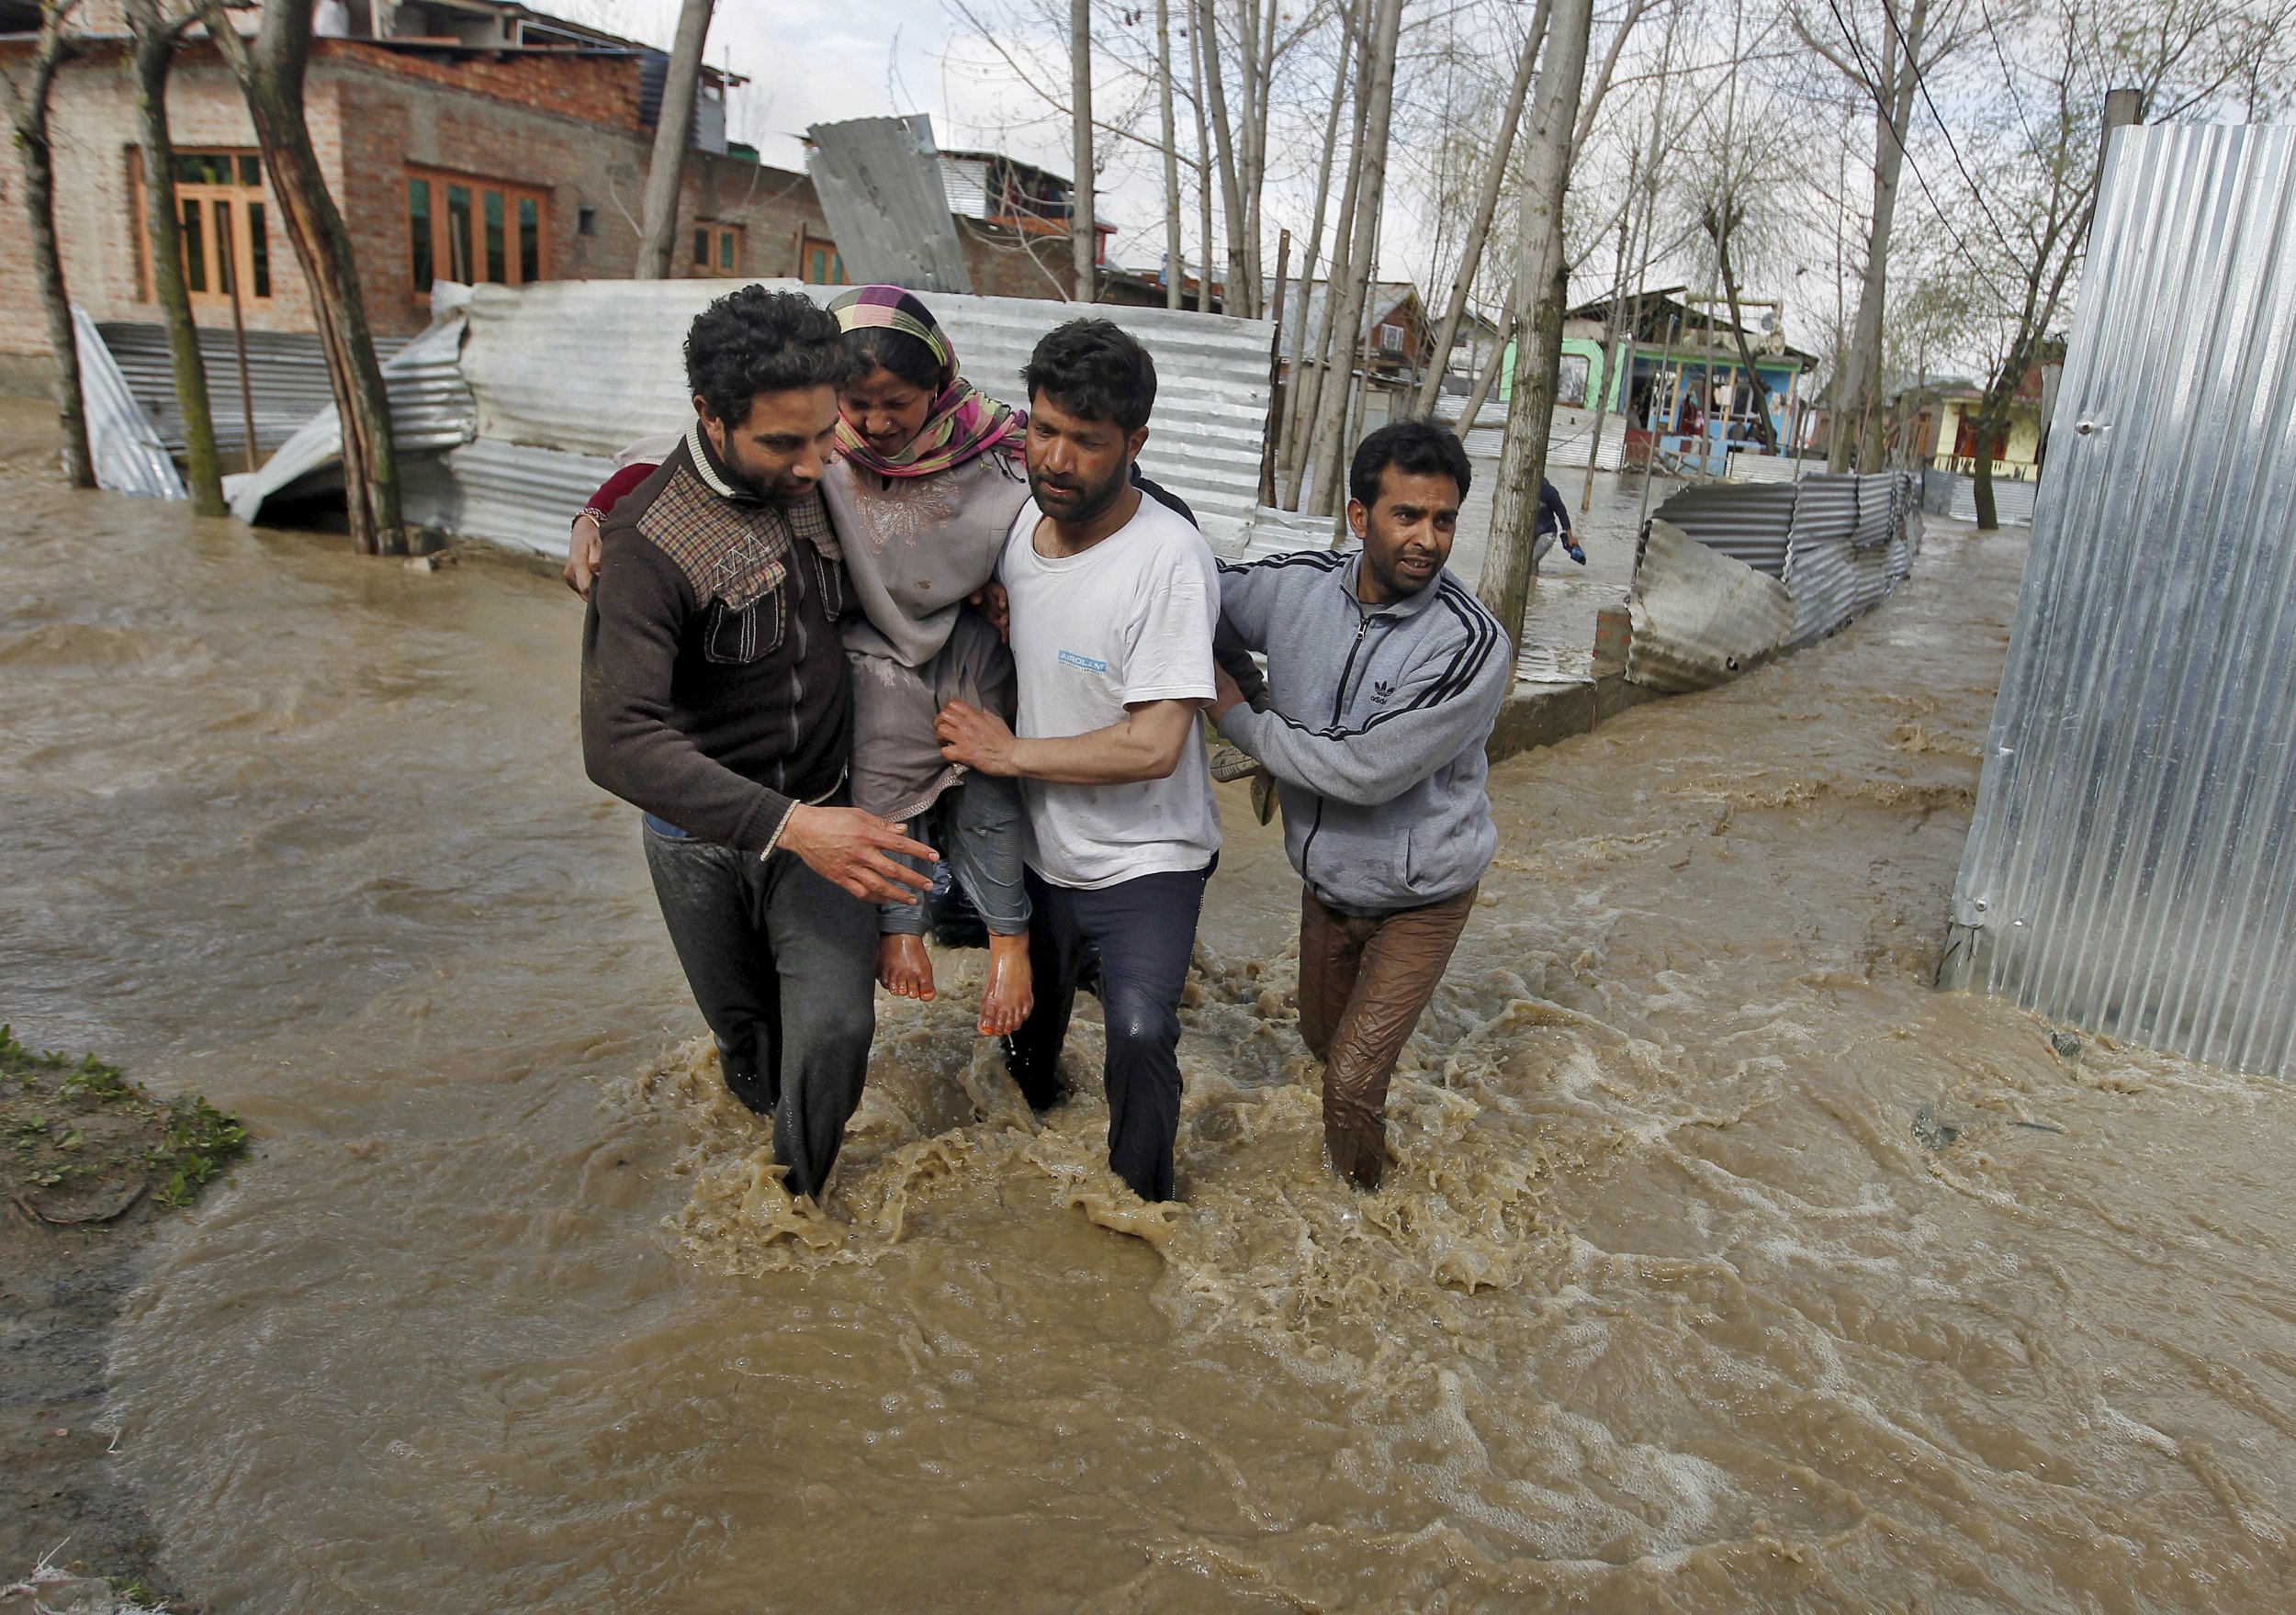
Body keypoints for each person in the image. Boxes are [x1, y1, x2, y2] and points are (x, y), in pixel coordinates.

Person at [569, 286, 1039, 1037]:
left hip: (915, 687)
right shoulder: (791, 461)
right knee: (750, 1029)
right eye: (857, 407)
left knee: (984, 791)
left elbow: (1086, 494)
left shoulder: (995, 450)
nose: (871, 427)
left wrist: (1013, 582)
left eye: (897, 402)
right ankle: (897, 937)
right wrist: (595, 513)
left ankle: (995, 940)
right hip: (790, 732)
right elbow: (666, 468)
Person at [581, 286, 937, 1201]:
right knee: (749, 1043)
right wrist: (789, 825)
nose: (817, 462)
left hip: (824, 812)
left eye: (825, 435)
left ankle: (794, 1206)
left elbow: (994, 451)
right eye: (785, 444)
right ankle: (757, 1143)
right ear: (708, 414)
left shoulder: (822, 467)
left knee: (835, 1032)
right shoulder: (647, 544)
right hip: (699, 840)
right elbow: (617, 741)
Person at [933, 320, 1221, 1204]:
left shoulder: (1169, 558)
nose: (1054, 459)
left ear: (1137, 443)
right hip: (1038, 854)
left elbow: (1154, 743)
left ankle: (1143, 1209)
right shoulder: (1024, 523)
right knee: (1024, 1047)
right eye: (1042, 429)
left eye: (1086, 442)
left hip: (1147, 860)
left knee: (1138, 1032)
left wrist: (1007, 750)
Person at [1207, 420, 1509, 1191]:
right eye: (1407, 515)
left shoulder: (1470, 644)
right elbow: (1194, 592)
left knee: (1348, 1083)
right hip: (1328, 885)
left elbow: (1367, 770)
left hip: (1422, 896)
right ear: (1358, 516)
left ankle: (1362, 1228)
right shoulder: (1298, 586)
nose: (1428, 539)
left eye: (1444, 519)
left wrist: (1239, 716)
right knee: (1321, 1044)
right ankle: (1362, 1160)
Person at [1534, 477, 1586, 570]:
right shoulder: (1523, 490)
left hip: (1547, 532)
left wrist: (1570, 537)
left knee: (1531, 560)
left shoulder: (1549, 492)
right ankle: (1534, 581)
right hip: (1530, 533)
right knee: (1528, 563)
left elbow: (1562, 514)